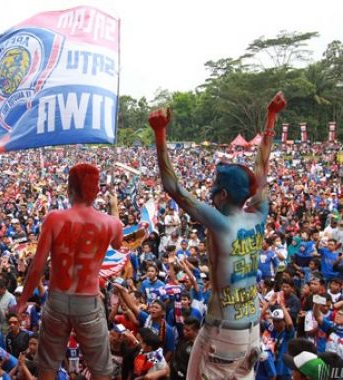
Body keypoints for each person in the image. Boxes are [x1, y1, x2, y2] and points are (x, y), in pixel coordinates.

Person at [149, 91, 287, 379]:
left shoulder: (221, 223)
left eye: (214, 186)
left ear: (222, 194)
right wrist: (271, 117)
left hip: (225, 336)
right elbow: (263, 167)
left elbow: (173, 187)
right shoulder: (259, 215)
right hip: (247, 330)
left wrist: (160, 134)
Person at [17, 163, 123, 380]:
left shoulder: (55, 218)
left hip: (57, 299)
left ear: (69, 189)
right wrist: (114, 208)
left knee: (47, 367)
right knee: (101, 370)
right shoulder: (111, 223)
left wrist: (22, 302)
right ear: (96, 191)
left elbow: (37, 266)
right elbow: (119, 244)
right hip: (88, 303)